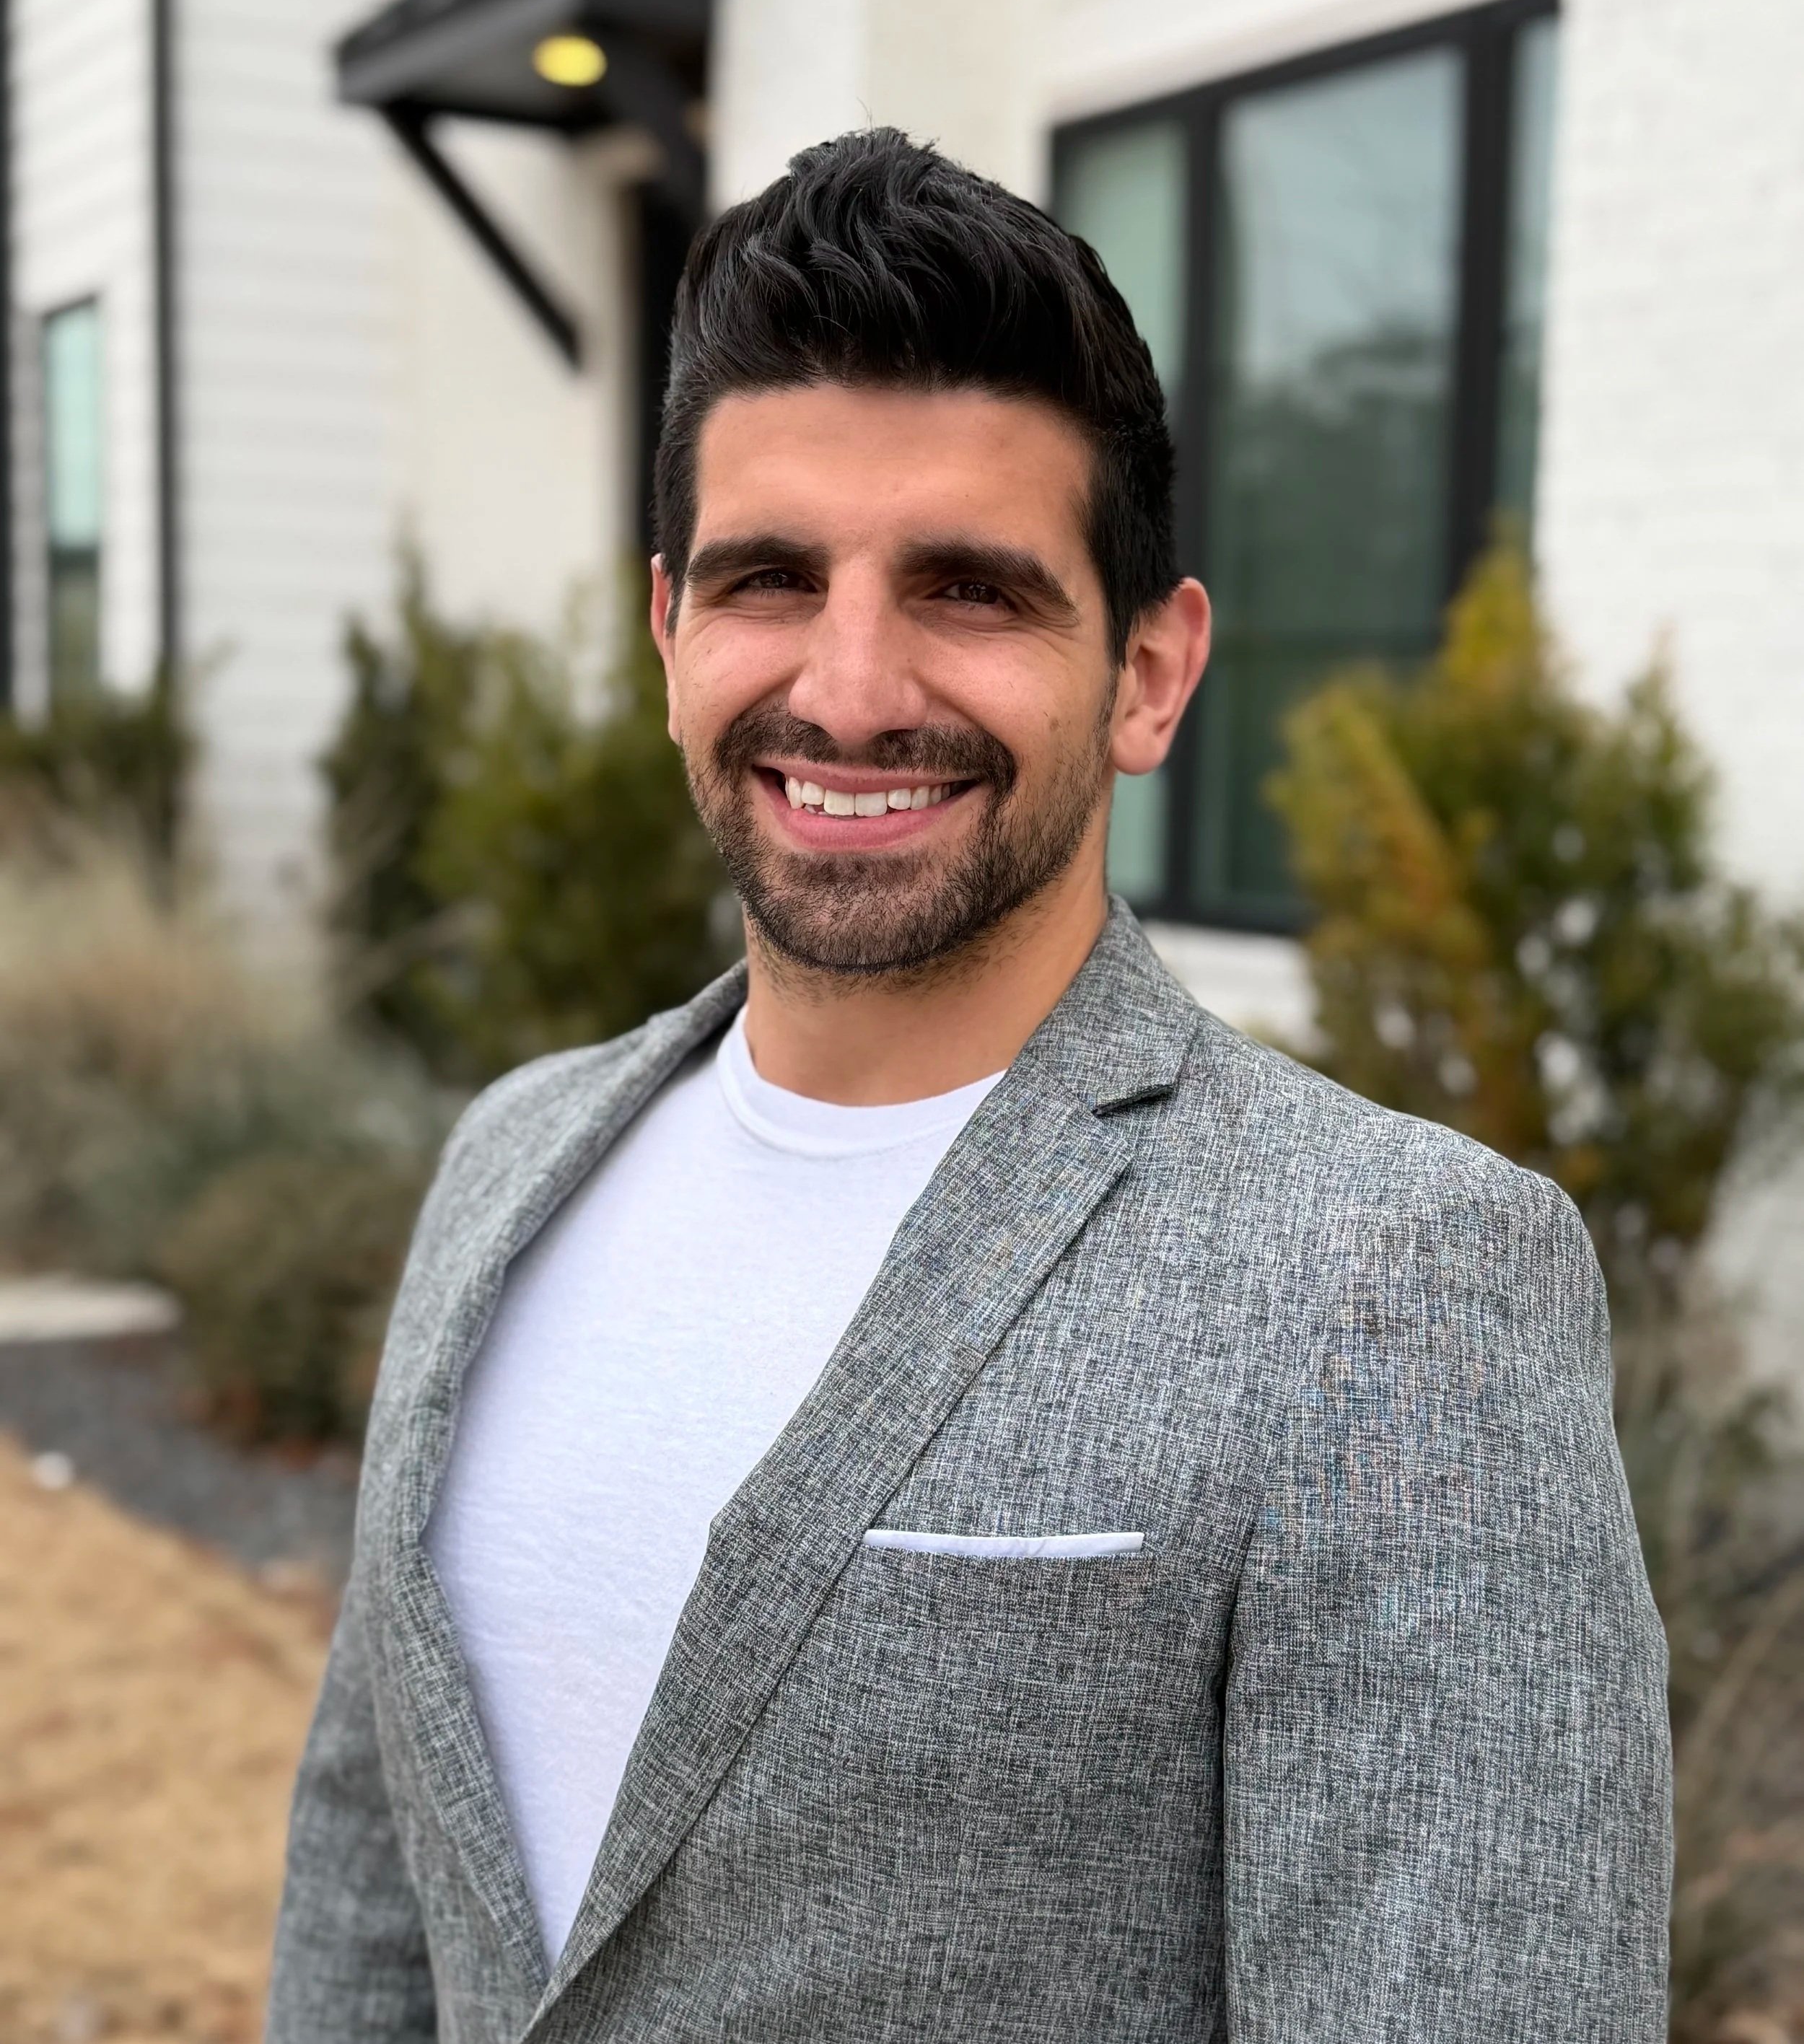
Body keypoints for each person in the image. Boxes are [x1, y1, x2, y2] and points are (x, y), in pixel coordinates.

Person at [266, 128, 1671, 2043]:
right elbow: (369, 1895)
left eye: (970, 591)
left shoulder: (1392, 1279)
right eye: (772, 579)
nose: (849, 689)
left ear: (1150, 673)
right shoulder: (512, 1159)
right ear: (669, 633)